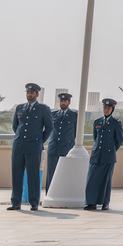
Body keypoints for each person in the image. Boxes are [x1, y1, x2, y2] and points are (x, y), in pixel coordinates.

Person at [9, 82, 52, 211]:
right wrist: (20, 138)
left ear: (37, 94)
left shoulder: (43, 109)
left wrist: (39, 141)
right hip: (19, 145)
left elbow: (49, 128)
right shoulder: (20, 108)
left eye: (32, 93)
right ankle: (16, 202)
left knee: (33, 175)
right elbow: (15, 126)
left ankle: (34, 203)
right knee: (16, 174)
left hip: (34, 146)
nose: (29, 95)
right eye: (28, 92)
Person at [85, 98, 123, 211]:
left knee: (106, 180)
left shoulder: (116, 123)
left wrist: (111, 150)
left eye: (108, 108)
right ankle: (91, 203)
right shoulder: (97, 122)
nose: (106, 110)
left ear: (112, 109)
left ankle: (105, 203)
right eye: (104, 108)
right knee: (91, 179)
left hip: (108, 156)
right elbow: (95, 138)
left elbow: (119, 140)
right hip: (96, 155)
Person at [45, 92, 77, 191]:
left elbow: (76, 132)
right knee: (51, 172)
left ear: (69, 102)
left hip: (67, 148)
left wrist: (70, 143)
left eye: (65, 101)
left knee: (65, 172)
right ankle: (49, 193)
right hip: (53, 147)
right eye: (61, 101)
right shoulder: (53, 114)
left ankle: (63, 193)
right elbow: (48, 129)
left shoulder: (74, 115)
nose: (63, 103)